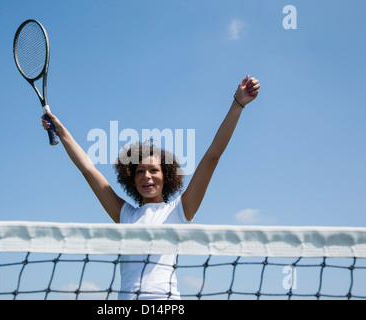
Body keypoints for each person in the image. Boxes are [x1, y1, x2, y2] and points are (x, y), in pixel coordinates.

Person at [42, 75, 260, 299]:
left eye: (154, 170)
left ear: (166, 177)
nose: (147, 176)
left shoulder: (180, 210)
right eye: (139, 171)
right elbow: (89, 170)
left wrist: (238, 103)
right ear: (132, 179)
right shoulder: (125, 214)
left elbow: (213, 156)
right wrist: (61, 130)